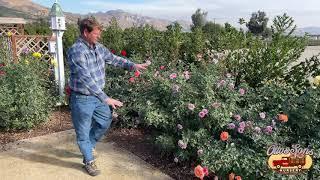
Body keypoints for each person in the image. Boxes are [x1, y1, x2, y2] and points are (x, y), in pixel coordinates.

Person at [67, 17, 148, 176]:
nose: (99, 36)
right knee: (82, 132)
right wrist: (106, 98)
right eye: (96, 34)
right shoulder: (77, 51)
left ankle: (88, 146)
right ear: (85, 32)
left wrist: (133, 65)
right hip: (82, 99)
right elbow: (86, 78)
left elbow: (114, 59)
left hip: (97, 98)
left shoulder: (98, 47)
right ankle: (88, 161)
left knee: (105, 121)